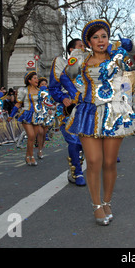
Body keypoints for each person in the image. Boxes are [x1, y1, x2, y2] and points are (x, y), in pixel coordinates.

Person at [60, 20, 135, 226]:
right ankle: (96, 205)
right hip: (87, 112)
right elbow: (65, 77)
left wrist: (131, 47)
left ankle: (107, 201)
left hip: (114, 111)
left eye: (104, 36)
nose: (101, 40)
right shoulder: (80, 59)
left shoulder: (118, 57)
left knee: (109, 162)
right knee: (94, 161)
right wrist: (76, 94)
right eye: (96, 37)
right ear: (88, 41)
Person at [49, 38, 86, 187]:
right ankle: (77, 172)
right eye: (80, 46)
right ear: (71, 50)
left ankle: (75, 167)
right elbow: (53, 88)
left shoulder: (87, 65)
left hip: (85, 109)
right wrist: (63, 98)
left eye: (84, 46)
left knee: (83, 142)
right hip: (67, 110)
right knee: (74, 140)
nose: (84, 48)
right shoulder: (61, 64)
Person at [8, 71, 43, 166]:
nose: (37, 80)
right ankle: (31, 156)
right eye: (35, 78)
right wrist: (11, 115)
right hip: (26, 114)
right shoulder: (23, 90)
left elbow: (43, 104)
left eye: (37, 78)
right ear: (29, 80)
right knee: (31, 135)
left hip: (36, 115)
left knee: (33, 138)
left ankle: (28, 156)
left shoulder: (40, 91)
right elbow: (18, 104)